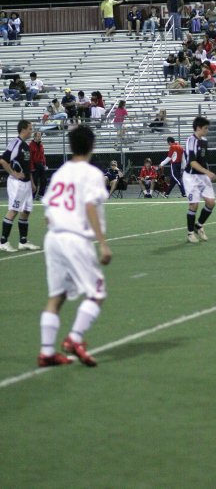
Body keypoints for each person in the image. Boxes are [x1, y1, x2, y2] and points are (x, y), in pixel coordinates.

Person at [38, 126, 111, 367]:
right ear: (92, 145)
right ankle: (75, 338)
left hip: (53, 237)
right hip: (75, 239)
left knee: (56, 296)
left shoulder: (60, 172)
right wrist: (102, 244)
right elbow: (90, 206)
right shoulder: (91, 174)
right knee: (97, 292)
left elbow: (47, 214)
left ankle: (47, 351)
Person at [0, 120, 40, 252]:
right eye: (30, 128)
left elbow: (28, 167)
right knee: (14, 210)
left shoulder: (26, 146)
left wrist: (32, 183)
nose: (31, 130)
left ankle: (23, 241)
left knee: (26, 211)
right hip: (17, 184)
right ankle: (3, 242)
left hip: (27, 184)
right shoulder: (15, 143)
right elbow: (3, 160)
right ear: (23, 129)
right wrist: (14, 173)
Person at [183, 116, 216, 243]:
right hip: (191, 177)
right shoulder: (191, 140)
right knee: (194, 204)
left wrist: (207, 173)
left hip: (202, 176)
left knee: (211, 202)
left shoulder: (204, 141)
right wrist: (207, 172)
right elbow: (192, 162)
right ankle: (190, 233)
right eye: (205, 128)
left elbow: (203, 160)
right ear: (198, 128)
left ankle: (198, 226)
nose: (207, 130)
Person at [29, 131, 48, 199]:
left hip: (40, 164)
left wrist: (45, 164)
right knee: (35, 181)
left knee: (44, 180)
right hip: (35, 165)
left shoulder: (41, 144)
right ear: (34, 137)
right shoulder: (31, 145)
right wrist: (32, 167)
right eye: (38, 136)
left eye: (40, 136)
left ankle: (40, 195)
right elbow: (30, 157)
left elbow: (43, 155)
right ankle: (33, 196)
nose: (39, 137)